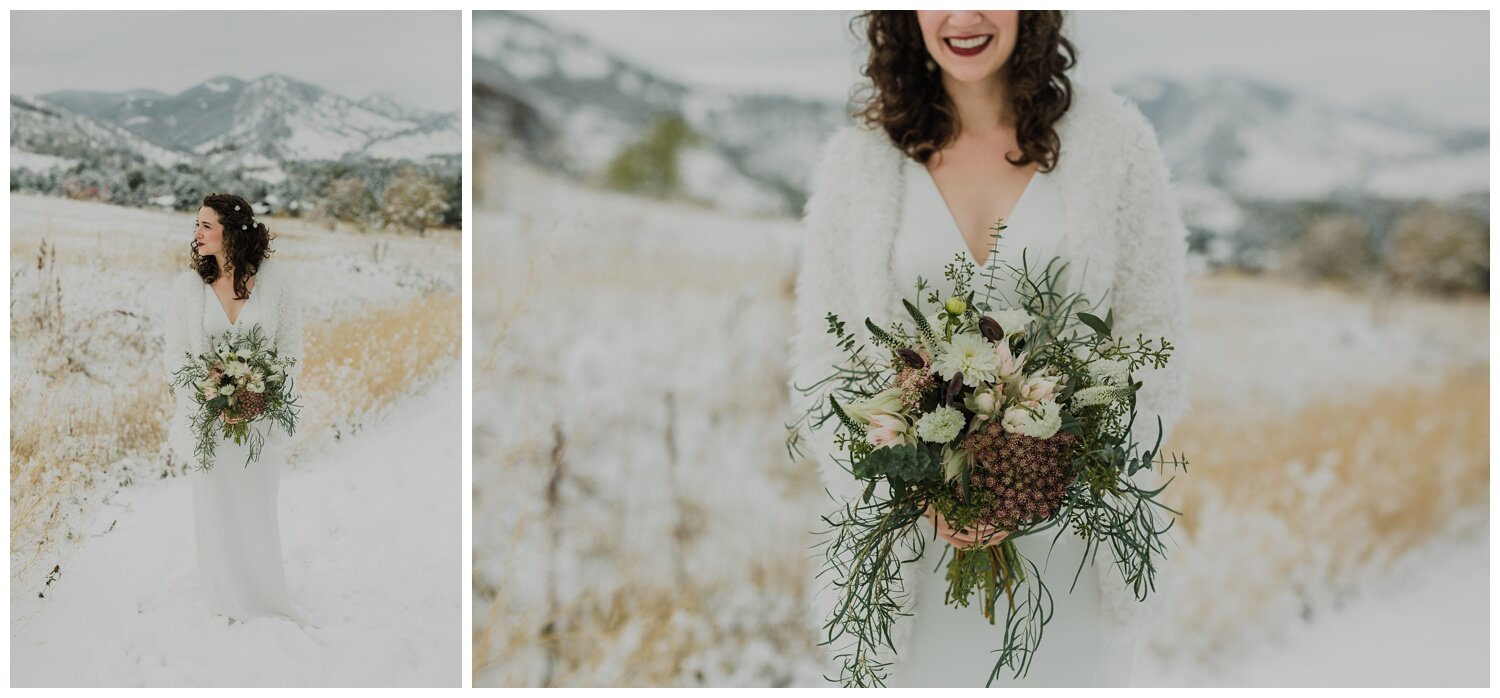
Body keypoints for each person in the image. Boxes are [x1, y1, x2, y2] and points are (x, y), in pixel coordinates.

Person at [788, 10, 1191, 687]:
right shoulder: (860, 163)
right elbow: (822, 362)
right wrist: (913, 483)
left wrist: (1040, 479)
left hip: (1073, 554)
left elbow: (1155, 347)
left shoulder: (1112, 143)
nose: (965, 17)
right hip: (909, 562)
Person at [162, 192, 303, 622]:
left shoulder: (275, 282)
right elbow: (177, 356)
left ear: (233, 231)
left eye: (207, 225)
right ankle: (223, 593)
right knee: (216, 504)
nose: (197, 233)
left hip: (261, 418)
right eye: (196, 225)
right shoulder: (189, 287)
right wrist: (210, 396)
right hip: (210, 420)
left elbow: (290, 348)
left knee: (256, 505)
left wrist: (261, 397)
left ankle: (263, 590)